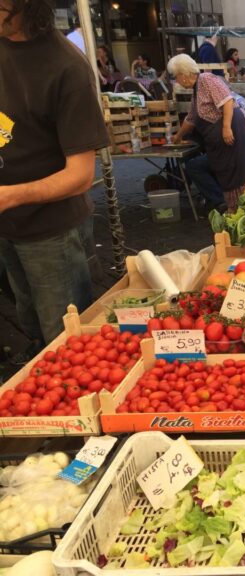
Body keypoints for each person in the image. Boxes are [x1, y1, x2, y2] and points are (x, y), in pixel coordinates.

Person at [0, 0, 109, 352]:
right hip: (9, 227)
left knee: (64, 340)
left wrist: (8, 196)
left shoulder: (66, 68)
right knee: (30, 321)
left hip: (52, 234)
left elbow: (80, 175)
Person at [169, 55, 245, 211]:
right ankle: (232, 206)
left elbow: (227, 100)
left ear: (183, 75)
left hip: (232, 131)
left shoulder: (206, 79)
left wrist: (226, 127)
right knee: (226, 171)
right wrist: (178, 136)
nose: (176, 81)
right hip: (219, 141)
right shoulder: (196, 90)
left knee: (238, 170)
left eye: (176, 76)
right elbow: (191, 118)